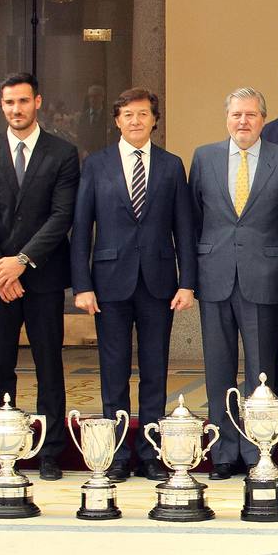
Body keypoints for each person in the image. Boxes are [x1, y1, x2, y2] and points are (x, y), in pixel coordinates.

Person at [71, 88, 197, 482]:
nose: (136, 121)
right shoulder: (97, 165)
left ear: (154, 120)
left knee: (155, 370)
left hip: (159, 283)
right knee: (113, 370)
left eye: (143, 114)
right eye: (128, 114)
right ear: (117, 120)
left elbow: (185, 229)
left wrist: (187, 282)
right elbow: (81, 229)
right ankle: (115, 453)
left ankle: (151, 452)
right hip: (108, 283)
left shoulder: (171, 165)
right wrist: (82, 285)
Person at [0, 73, 80, 481]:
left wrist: (23, 260)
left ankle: (50, 451)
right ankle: (3, 448)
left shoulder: (63, 153)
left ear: (38, 102)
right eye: (10, 103)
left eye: (23, 102)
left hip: (43, 276)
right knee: (1, 365)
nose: (17, 109)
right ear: (2, 106)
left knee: (50, 363)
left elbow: (60, 216)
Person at [190, 87, 278, 479]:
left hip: (264, 277)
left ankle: (259, 450)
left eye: (251, 115)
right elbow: (193, 218)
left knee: (261, 373)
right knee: (218, 370)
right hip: (215, 275)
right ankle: (222, 452)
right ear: (226, 118)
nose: (243, 121)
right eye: (236, 114)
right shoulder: (203, 158)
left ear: (263, 120)